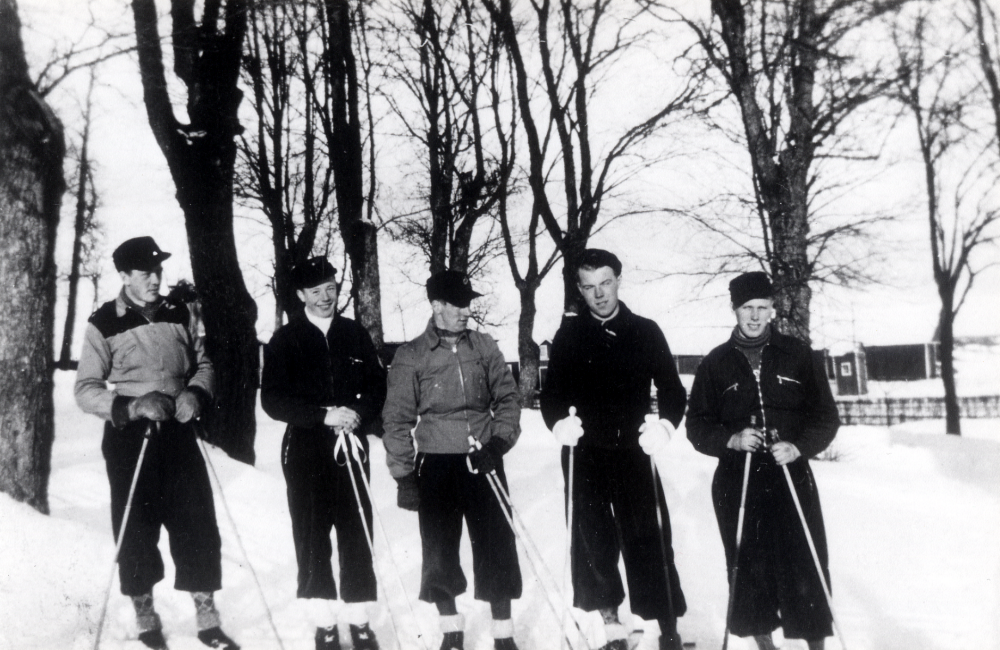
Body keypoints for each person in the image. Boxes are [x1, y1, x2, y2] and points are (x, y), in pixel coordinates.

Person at [75, 236, 238, 650]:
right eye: (146, 273)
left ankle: (207, 617)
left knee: (197, 520)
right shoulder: (103, 322)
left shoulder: (178, 312)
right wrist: (131, 406)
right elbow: (86, 389)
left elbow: (203, 364)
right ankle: (146, 615)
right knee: (136, 527)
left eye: (158, 271)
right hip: (131, 438)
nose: (155, 279)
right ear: (125, 275)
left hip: (179, 433)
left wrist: (195, 394)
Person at [540, 248, 688, 650]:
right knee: (593, 539)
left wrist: (666, 425)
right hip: (584, 452)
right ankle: (611, 626)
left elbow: (673, 390)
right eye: (589, 287)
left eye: (605, 283)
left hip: (632, 450)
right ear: (580, 290)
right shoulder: (569, 337)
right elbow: (551, 394)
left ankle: (663, 625)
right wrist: (558, 424)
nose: (599, 294)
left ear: (619, 280)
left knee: (649, 536)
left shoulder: (645, 330)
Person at [686, 271, 840, 650]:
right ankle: (764, 645)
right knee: (748, 567)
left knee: (804, 562)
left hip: (791, 475)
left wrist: (799, 446)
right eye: (746, 309)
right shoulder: (715, 363)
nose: (754, 317)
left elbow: (826, 417)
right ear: (734, 309)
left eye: (762, 308)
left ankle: (815, 644)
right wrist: (732, 439)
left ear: (772, 309)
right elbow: (696, 426)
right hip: (739, 481)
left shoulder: (799, 355)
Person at [382, 270, 522, 650]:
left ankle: (503, 635)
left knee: (496, 546)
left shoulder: (484, 347)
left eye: (468, 303)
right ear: (436, 305)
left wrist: (499, 443)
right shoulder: (411, 355)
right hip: (436, 466)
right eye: (458, 304)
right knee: (440, 551)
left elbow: (508, 400)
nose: (466, 311)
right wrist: (404, 476)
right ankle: (452, 631)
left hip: (483, 459)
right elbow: (396, 420)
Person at [260, 257, 387, 650]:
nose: (326, 297)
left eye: (331, 287)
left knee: (356, 533)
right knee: (312, 535)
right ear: (300, 296)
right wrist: (321, 415)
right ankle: (325, 623)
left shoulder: (354, 333)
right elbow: (272, 400)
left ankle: (360, 620)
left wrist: (359, 415)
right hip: (306, 448)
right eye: (315, 291)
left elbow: (378, 386)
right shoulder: (285, 339)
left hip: (351, 446)